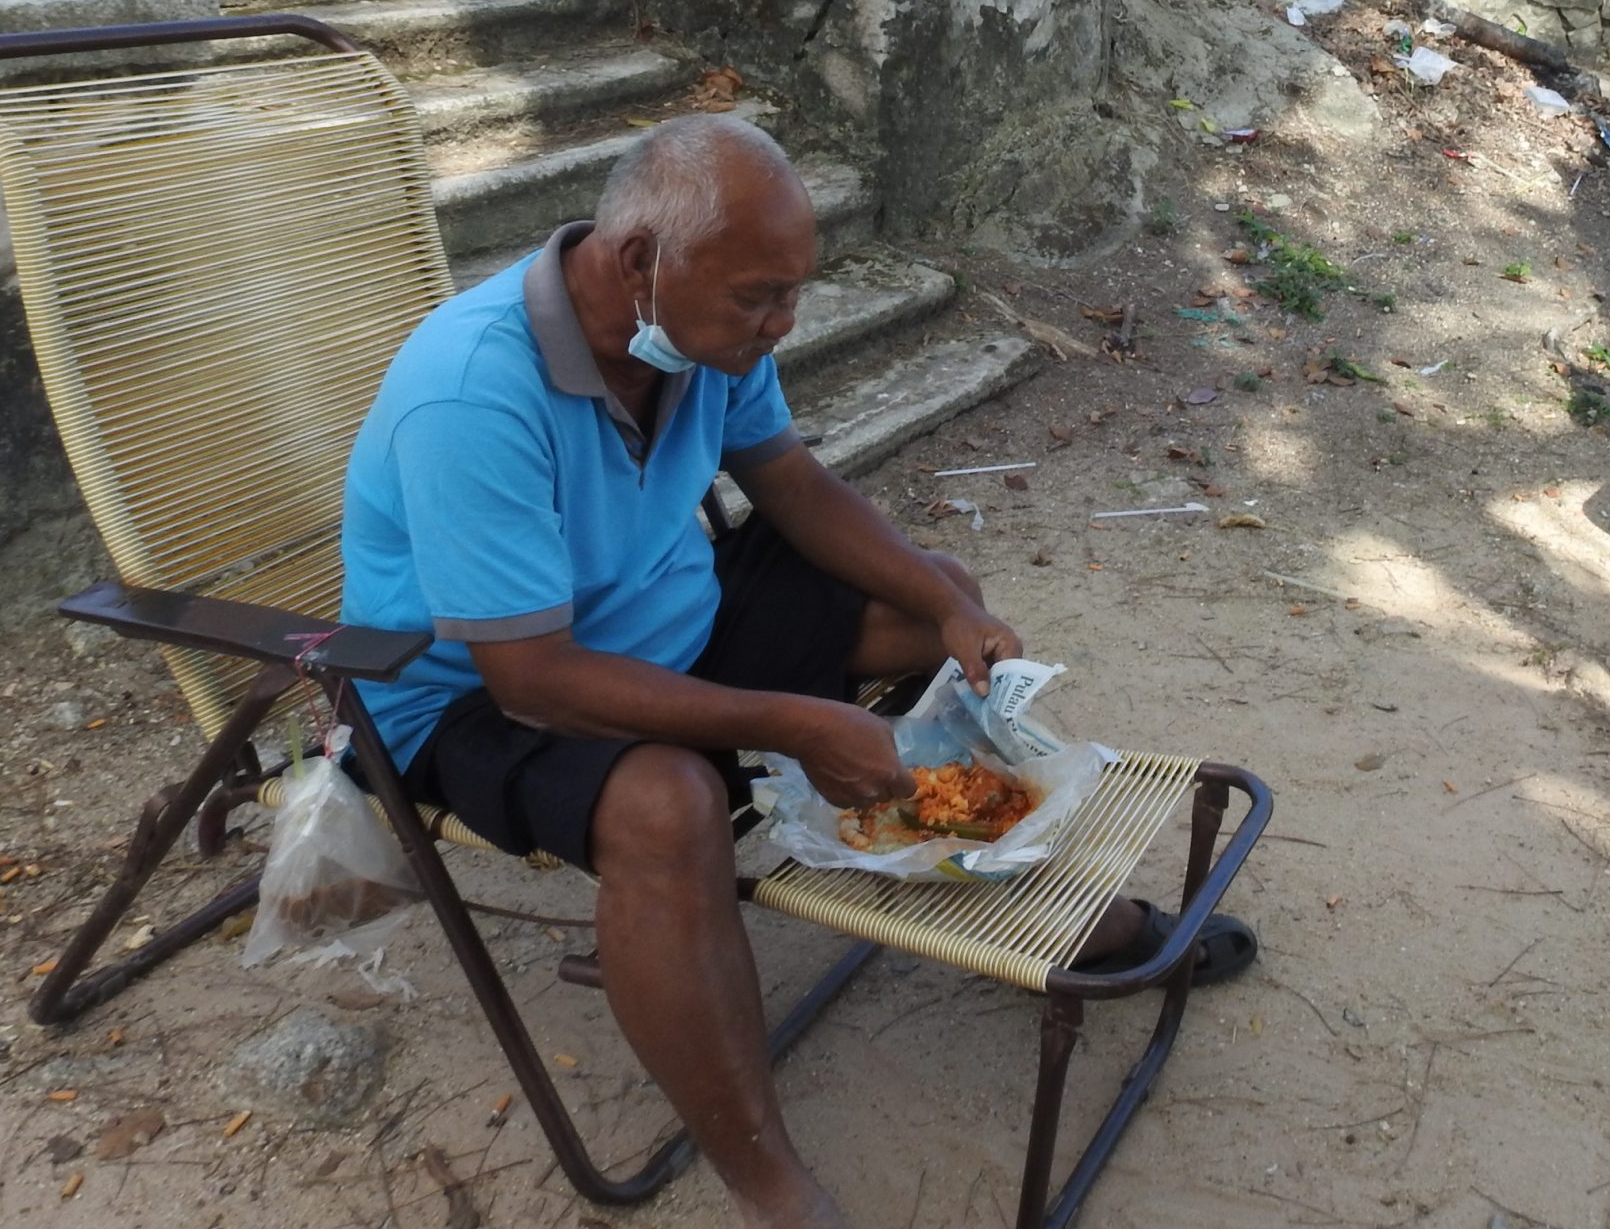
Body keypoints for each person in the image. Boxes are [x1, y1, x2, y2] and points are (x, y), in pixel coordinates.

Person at [341, 115, 1252, 1229]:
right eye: (759, 298)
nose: (781, 326)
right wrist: (798, 723)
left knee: (923, 602)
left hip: (665, 627)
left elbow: (796, 488)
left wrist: (952, 606)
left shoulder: (695, 338)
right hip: (469, 697)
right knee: (667, 803)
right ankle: (772, 1188)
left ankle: (1025, 903)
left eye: (792, 293)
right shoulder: (473, 390)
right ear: (640, 263)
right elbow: (533, 677)